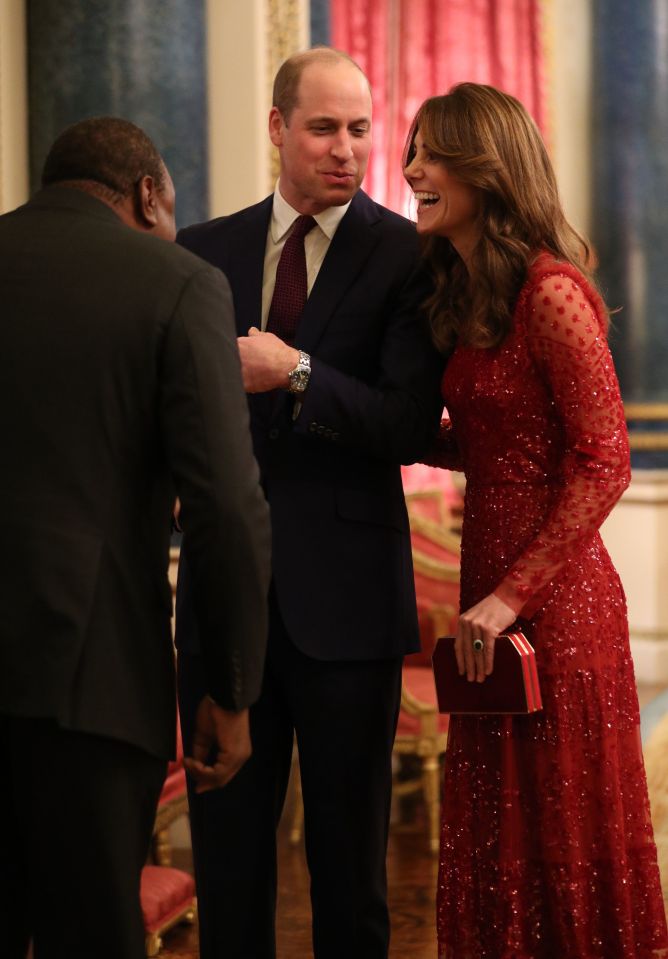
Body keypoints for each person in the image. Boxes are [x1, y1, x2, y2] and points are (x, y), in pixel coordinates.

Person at [175, 47, 444, 959]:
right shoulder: (202, 253)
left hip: (349, 605)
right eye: (324, 127)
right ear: (278, 127)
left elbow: (408, 425)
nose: (345, 148)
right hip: (225, 609)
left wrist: (294, 371)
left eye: (360, 129)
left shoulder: (406, 254)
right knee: (232, 874)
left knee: (350, 877)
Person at [403, 82, 668, 959]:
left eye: (432, 154)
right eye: (412, 152)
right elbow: (494, 447)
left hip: (554, 606)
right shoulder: (468, 294)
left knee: (560, 832)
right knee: (498, 833)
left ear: (489, 167)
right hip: (495, 598)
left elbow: (605, 458)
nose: (412, 171)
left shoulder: (552, 292)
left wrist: (510, 596)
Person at [0, 117, 271, 959]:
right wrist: (227, 685)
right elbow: (225, 503)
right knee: (91, 929)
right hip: (90, 672)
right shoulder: (176, 282)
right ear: (147, 193)